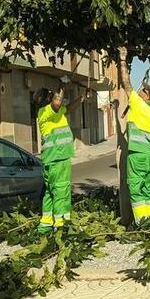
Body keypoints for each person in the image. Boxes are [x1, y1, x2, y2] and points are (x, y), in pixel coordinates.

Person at [32, 76, 89, 233]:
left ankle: (46, 223)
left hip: (50, 160)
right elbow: (57, 103)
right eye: (52, 95)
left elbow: (69, 108)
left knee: (50, 193)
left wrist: (82, 98)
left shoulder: (54, 115)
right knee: (61, 192)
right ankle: (61, 225)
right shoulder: (45, 111)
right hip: (58, 159)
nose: (54, 96)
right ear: (47, 99)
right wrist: (62, 85)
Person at [118, 47, 150, 223]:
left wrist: (122, 60)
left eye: (143, 90)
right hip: (149, 155)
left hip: (136, 154)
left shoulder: (137, 102)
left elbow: (126, 82)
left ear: (147, 96)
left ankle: (142, 221)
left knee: (135, 188)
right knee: (148, 188)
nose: (140, 91)